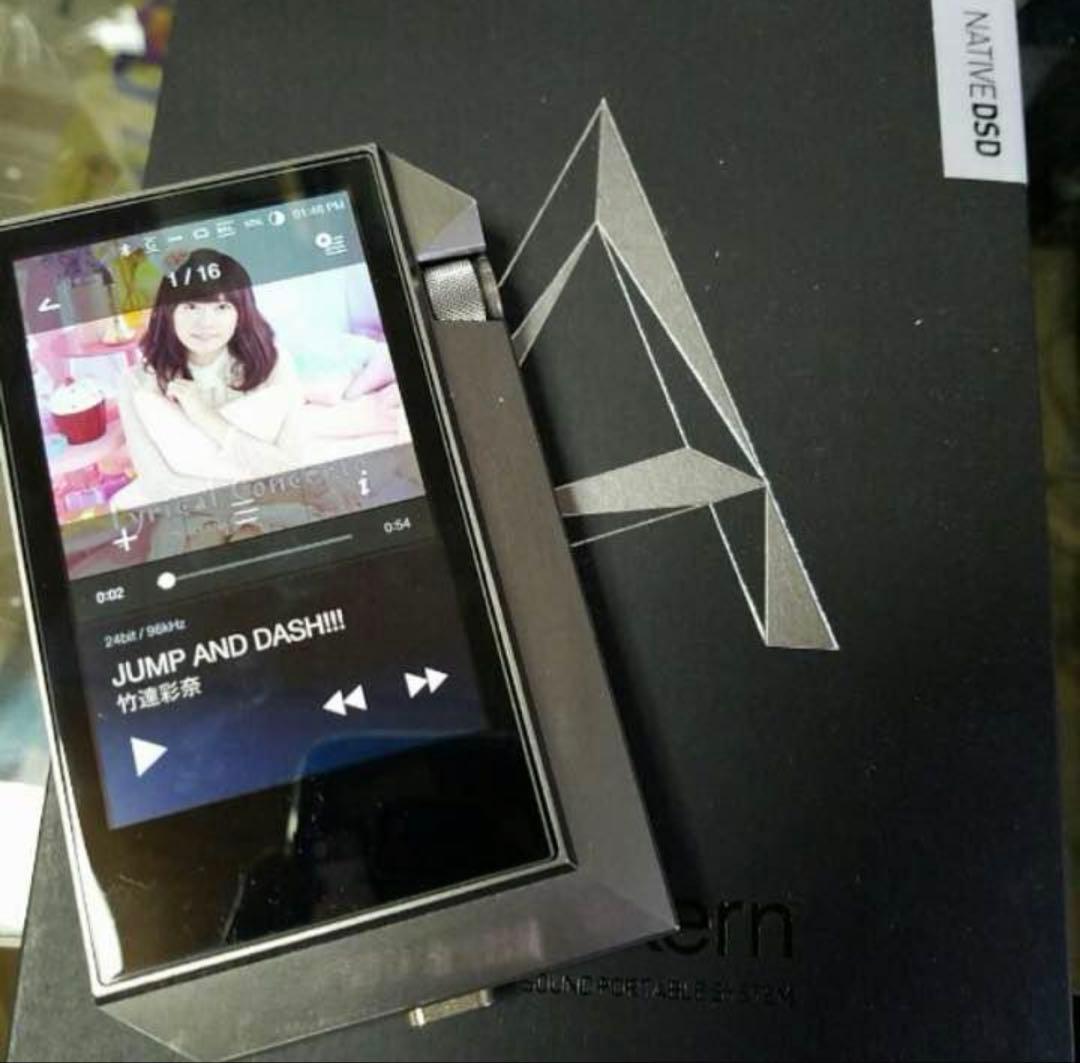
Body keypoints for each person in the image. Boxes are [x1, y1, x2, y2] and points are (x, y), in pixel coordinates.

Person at [116, 249, 307, 506]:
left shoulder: (274, 362)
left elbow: (292, 467)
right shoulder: (136, 382)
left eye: (221, 307)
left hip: (274, 506)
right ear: (168, 311)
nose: (205, 322)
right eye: (191, 306)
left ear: (241, 312)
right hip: (197, 515)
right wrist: (236, 508)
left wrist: (204, 417)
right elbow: (158, 484)